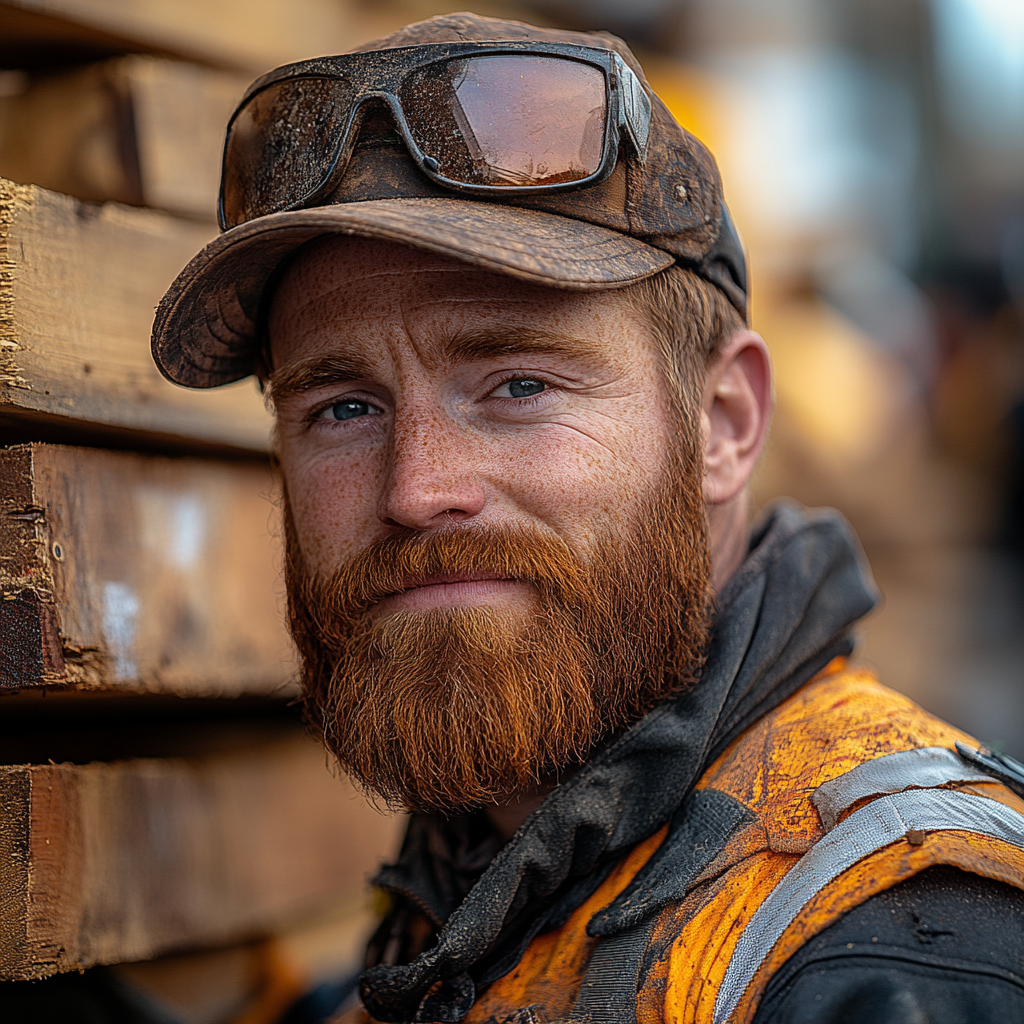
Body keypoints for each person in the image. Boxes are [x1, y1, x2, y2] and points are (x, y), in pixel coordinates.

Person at [152, 13, 1024, 1024]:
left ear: (723, 424)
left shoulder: (901, 950)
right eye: (342, 408)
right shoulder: (491, 871)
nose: (415, 488)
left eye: (518, 383)